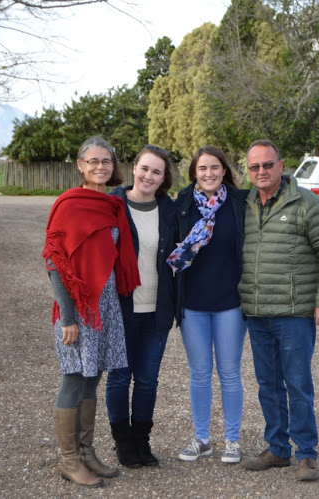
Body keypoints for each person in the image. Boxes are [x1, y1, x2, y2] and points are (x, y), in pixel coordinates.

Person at [238, 139, 319, 482]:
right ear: (248, 170)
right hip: (257, 313)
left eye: (267, 165)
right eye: (254, 167)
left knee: (297, 384)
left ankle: (307, 454)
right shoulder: (245, 204)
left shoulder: (306, 204)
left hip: (294, 314)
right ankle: (278, 449)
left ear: (281, 166)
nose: (262, 172)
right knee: (267, 384)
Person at [42, 136, 140, 488]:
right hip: (79, 307)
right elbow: (54, 260)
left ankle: (85, 452)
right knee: (73, 376)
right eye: (93, 161)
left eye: (107, 161)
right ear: (81, 165)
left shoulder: (111, 205)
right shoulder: (69, 205)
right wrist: (68, 318)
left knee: (93, 376)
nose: (101, 166)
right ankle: (69, 460)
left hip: (106, 304)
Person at [167, 145, 248, 464]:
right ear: (194, 173)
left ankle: (232, 440)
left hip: (230, 303)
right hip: (193, 304)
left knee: (229, 372)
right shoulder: (183, 204)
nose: (209, 174)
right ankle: (202, 439)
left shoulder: (241, 204)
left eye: (215, 168)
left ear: (224, 170)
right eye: (202, 169)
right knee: (199, 373)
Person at [105, 145, 177, 467]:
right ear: (134, 168)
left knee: (147, 380)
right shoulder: (112, 204)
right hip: (122, 309)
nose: (149, 176)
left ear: (164, 178)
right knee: (120, 377)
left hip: (157, 310)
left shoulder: (170, 210)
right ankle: (122, 442)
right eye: (145, 168)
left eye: (157, 171)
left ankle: (141, 441)